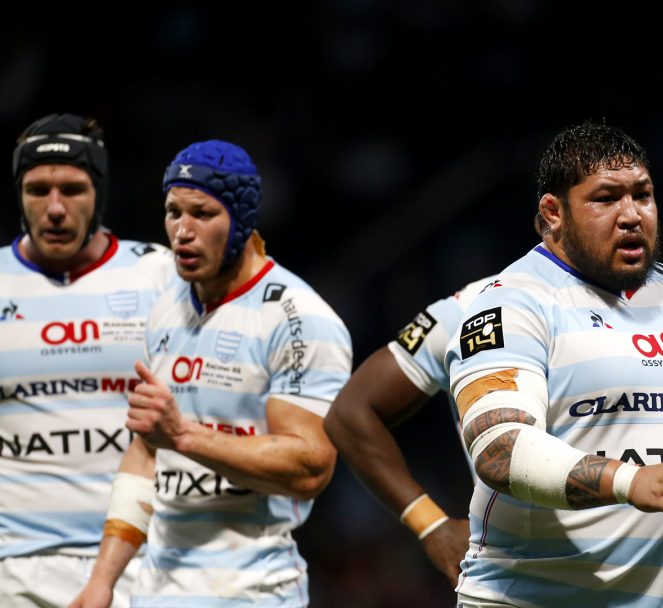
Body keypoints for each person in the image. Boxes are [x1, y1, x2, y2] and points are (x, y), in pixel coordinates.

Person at [446, 122, 663, 607]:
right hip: (533, 596)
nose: (631, 215)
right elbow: (498, 449)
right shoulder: (511, 302)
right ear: (553, 213)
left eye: (643, 195)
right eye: (605, 199)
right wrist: (629, 481)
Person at [71, 140, 352, 607]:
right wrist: (103, 580)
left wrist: (183, 434)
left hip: (251, 593)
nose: (182, 231)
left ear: (240, 220)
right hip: (153, 594)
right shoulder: (165, 308)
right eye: (173, 212)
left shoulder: (299, 319)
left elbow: (310, 467)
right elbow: (145, 453)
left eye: (202, 213)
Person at [0, 113, 173, 607]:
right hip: (17, 569)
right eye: (38, 190)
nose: (55, 208)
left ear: (99, 192)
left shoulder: (159, 275)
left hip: (148, 564)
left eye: (73, 189)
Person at [323, 275, 494, 586]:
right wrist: (430, 524)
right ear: (550, 222)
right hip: (520, 579)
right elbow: (348, 414)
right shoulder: (470, 307)